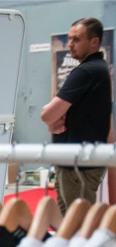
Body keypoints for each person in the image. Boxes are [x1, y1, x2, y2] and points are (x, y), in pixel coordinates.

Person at [40, 17, 113, 214]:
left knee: (75, 226)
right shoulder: (97, 70)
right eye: (69, 38)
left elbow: (47, 115)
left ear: (94, 42)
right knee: (68, 225)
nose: (70, 44)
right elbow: (52, 118)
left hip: (77, 167)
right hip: (73, 164)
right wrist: (55, 118)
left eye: (76, 39)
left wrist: (53, 117)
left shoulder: (87, 72)